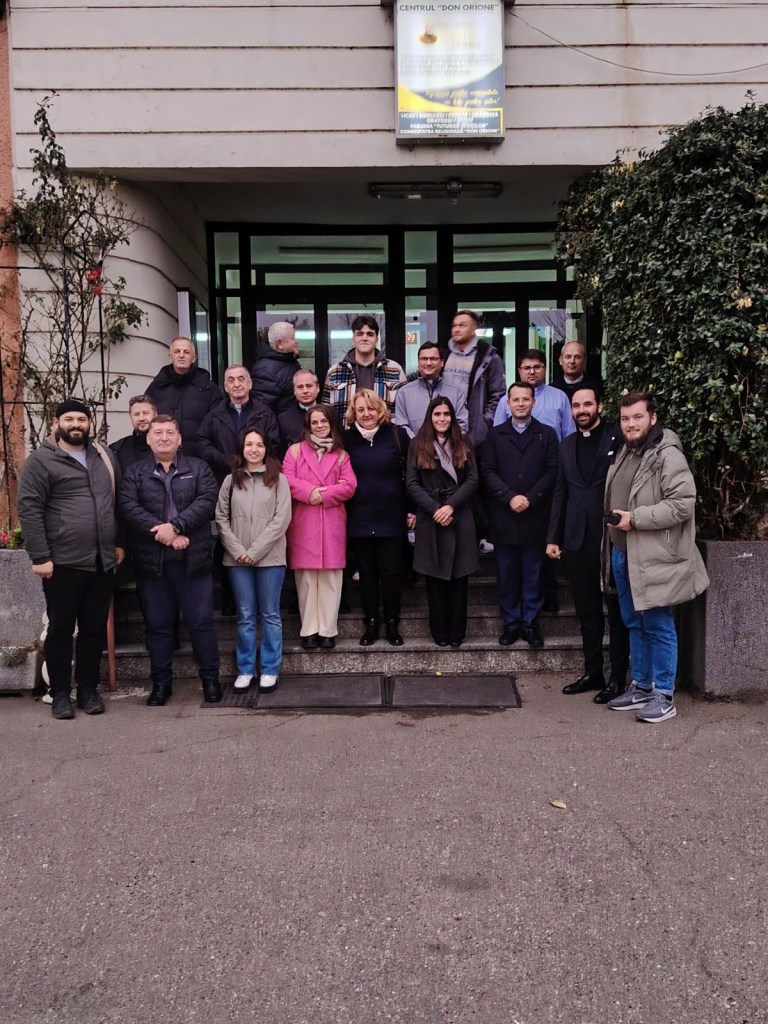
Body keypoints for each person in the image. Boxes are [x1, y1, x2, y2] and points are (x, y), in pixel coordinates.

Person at [603, 391, 709, 723]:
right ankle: (642, 685)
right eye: (625, 418)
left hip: (653, 556)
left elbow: (682, 505)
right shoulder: (626, 450)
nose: (630, 424)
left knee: (658, 624)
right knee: (635, 622)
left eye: (637, 417)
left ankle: (664, 694)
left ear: (652, 418)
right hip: (623, 553)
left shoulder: (667, 454)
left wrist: (635, 519)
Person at [17, 399, 124, 720]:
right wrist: (40, 556)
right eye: (69, 419)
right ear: (56, 423)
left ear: (89, 423)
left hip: (102, 561)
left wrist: (119, 543)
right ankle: (60, 693)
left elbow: (117, 502)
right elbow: (29, 509)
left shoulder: (104, 456)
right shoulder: (41, 461)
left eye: (81, 419)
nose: (76, 424)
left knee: (93, 629)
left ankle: (88, 690)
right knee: (61, 630)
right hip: (62, 562)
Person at [118, 415, 222, 706]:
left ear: (179, 439)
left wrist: (176, 526)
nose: (164, 437)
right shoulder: (135, 472)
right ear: (148, 439)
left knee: (201, 624)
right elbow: (128, 507)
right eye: (158, 432)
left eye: (169, 432)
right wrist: (165, 534)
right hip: (153, 563)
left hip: (193, 562)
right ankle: (161, 683)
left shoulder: (198, 468)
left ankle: (210, 679)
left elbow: (207, 501)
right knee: (159, 625)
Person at [546, 386, 630, 703]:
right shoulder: (566, 444)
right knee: (587, 612)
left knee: (617, 613)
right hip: (576, 540)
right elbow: (560, 492)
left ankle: (618, 678)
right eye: (576, 405)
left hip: (610, 538)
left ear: (600, 407)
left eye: (587, 404)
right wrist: (553, 537)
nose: (582, 410)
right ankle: (593, 672)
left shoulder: (617, 438)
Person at [482, 382, 558, 648]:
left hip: (535, 516)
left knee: (533, 574)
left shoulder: (547, 434)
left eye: (526, 399)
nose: (521, 403)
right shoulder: (495, 435)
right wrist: (509, 496)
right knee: (507, 575)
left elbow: (552, 471)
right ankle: (511, 623)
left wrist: (531, 497)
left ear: (534, 403)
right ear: (508, 404)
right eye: (516, 399)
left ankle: (530, 624)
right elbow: (487, 470)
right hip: (504, 516)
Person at [215, 429, 292, 692]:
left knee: (270, 614)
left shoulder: (279, 480)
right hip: (237, 559)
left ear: (266, 449)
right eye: (249, 444)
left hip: (271, 558)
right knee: (245, 616)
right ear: (242, 448)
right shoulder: (230, 480)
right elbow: (221, 518)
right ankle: (245, 669)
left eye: (259, 445)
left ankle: (269, 669)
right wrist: (238, 550)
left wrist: (255, 551)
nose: (254, 449)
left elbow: (281, 519)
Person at [282, 405, 357, 650]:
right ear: (308, 426)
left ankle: (327, 630)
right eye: (314, 422)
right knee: (306, 580)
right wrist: (310, 492)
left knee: (330, 579)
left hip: (332, 521)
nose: (319, 426)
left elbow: (349, 486)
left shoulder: (341, 455)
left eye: (323, 421)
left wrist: (321, 495)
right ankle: (309, 630)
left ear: (331, 424)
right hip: (304, 521)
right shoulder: (295, 451)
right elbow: (287, 480)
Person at [406, 397, 479, 647]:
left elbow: (473, 480)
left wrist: (451, 506)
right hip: (431, 516)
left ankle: (457, 631)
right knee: (434, 577)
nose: (442, 418)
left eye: (446, 414)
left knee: (459, 577)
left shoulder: (463, 442)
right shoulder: (417, 444)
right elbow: (411, 484)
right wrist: (435, 509)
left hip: (459, 513)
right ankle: (439, 631)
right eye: (437, 414)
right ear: (430, 417)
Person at [342, 389, 411, 646]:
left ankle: (392, 622)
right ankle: (371, 622)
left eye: (370, 408)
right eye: (360, 409)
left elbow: (411, 475)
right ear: (353, 413)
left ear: (380, 410)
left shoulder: (397, 436)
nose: (366, 414)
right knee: (367, 574)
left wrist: (412, 509)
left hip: (391, 516)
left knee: (391, 573)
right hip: (359, 517)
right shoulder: (346, 439)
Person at [197, 364, 279, 484]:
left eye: (241, 379)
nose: (236, 384)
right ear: (226, 387)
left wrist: (250, 461)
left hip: (258, 479)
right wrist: (227, 461)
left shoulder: (265, 414)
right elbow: (202, 444)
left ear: (250, 384)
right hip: (223, 479)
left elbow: (273, 445)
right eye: (231, 381)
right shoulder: (214, 416)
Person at [145, 336, 223, 458]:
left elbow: (218, 427)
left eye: (186, 352)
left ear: (194, 358)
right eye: (177, 351)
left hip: (199, 460)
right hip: (162, 459)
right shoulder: (155, 387)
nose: (181, 355)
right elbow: (145, 422)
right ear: (170, 356)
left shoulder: (209, 389)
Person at [322, 315, 405, 425]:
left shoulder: (395, 370)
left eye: (370, 334)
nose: (364, 338)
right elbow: (326, 411)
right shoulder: (335, 372)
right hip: (345, 434)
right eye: (360, 334)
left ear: (376, 340)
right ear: (353, 339)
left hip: (385, 434)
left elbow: (404, 409)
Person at [442, 309, 505, 449]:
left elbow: (498, 395)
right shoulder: (444, 355)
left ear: (474, 329)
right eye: (454, 325)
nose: (456, 329)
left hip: (474, 435)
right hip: (444, 426)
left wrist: (484, 422)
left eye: (462, 325)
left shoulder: (488, 358)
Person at [494, 349, 575, 441]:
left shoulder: (560, 397)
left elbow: (570, 435)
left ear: (545, 369)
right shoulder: (506, 400)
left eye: (537, 367)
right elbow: (498, 436)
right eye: (527, 368)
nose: (532, 372)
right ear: (519, 371)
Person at [394, 341, 469, 438]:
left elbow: (462, 424)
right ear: (418, 362)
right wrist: (418, 444)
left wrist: (443, 443)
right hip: (414, 447)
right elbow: (401, 426)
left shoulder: (456, 392)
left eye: (433, 359)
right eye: (424, 359)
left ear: (442, 362)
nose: (428, 363)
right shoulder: (404, 393)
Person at [250, 321, 303, 414]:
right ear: (280, 344)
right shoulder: (264, 371)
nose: (297, 341)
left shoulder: (289, 361)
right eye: (292, 338)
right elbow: (262, 411)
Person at [109, 394, 156, 473]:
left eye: (145, 413)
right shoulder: (117, 450)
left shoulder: (168, 446)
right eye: (136, 414)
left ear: (155, 414)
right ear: (131, 417)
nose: (141, 418)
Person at [278, 369, 321, 453]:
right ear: (294, 391)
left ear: (318, 388)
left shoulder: (330, 414)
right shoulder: (284, 418)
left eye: (309, 386)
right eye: (300, 387)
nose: (305, 391)